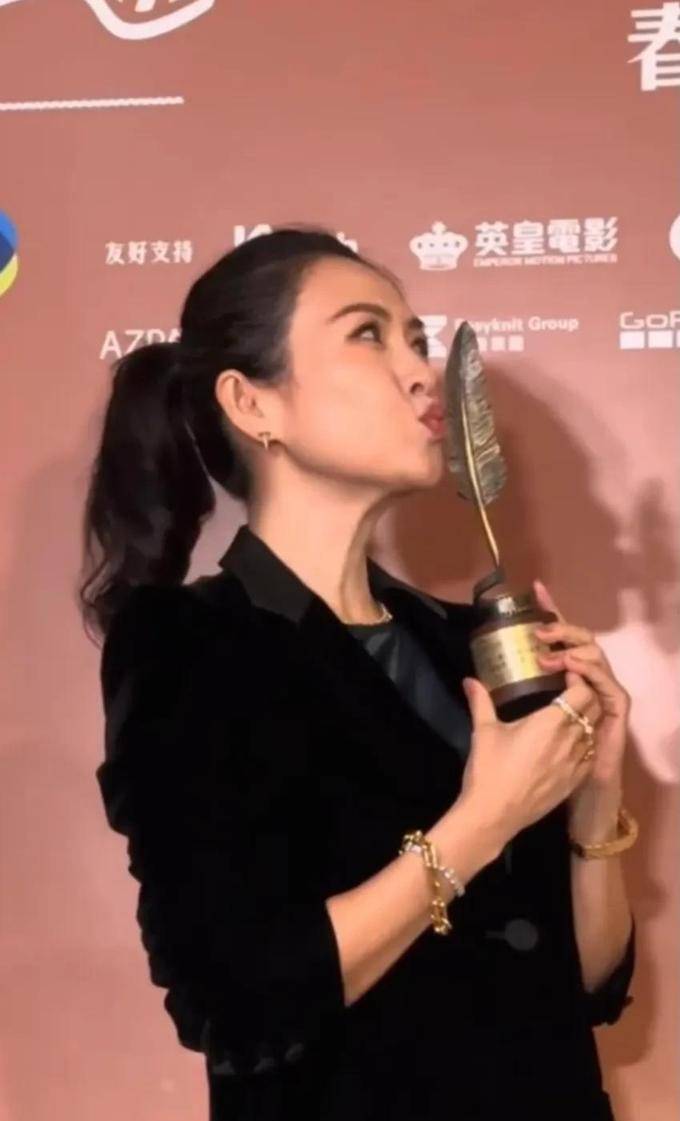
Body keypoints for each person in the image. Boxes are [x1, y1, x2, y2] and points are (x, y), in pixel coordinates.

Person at [80, 224, 637, 1121]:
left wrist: (596, 792)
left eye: (417, 340)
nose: (420, 373)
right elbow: (237, 999)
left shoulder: (467, 644)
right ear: (252, 403)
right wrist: (484, 821)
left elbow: (588, 987)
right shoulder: (190, 646)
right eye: (367, 335)